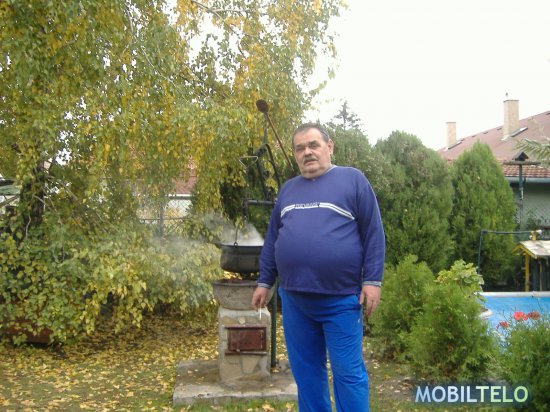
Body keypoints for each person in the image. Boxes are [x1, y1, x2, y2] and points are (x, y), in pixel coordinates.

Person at [251, 123, 385, 412]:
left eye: (313, 145)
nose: (307, 152)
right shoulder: (288, 190)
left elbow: (373, 233)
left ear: (329, 146)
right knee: (307, 375)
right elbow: (273, 239)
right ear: (295, 154)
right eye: (300, 148)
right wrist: (264, 281)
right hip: (295, 301)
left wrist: (372, 280)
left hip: (341, 300)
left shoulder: (353, 180)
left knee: (348, 374)